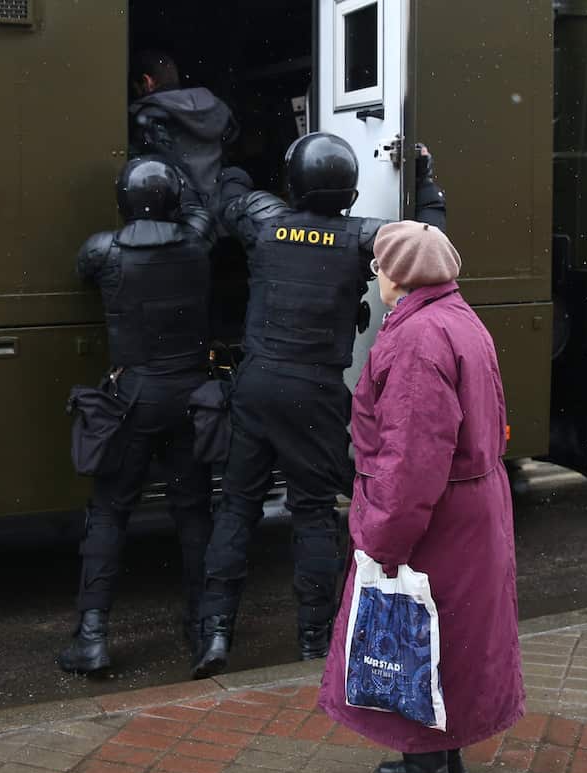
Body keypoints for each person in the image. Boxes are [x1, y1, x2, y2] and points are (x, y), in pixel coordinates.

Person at [190, 133, 446, 679]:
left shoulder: (265, 224)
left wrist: (231, 161)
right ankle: (312, 640)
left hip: (257, 385)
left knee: (236, 506)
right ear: (350, 190)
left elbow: (227, 198)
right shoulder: (361, 237)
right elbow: (430, 246)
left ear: (294, 182)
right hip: (315, 393)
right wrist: (425, 182)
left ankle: (214, 635)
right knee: (311, 512)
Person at [317, 221, 524, 773]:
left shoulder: (416, 338)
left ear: (397, 275)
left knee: (409, 640)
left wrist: (381, 538)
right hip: (470, 510)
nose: (376, 277)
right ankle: (439, 760)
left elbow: (411, 458)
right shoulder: (460, 318)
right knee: (449, 641)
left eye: (379, 267)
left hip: (433, 519)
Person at [57, 157, 215, 674]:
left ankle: (93, 636)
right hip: (191, 393)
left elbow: (84, 272)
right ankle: (201, 627)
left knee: (109, 512)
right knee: (193, 512)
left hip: (134, 397)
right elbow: (197, 209)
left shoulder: (104, 250)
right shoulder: (197, 243)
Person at [130, 50, 239, 208]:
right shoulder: (217, 109)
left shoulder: (148, 118)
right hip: (224, 217)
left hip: (178, 221)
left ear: (147, 82)